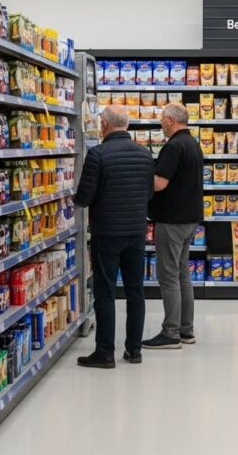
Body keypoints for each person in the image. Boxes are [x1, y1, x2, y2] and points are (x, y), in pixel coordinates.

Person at [73, 105, 155, 368]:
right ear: (127, 126)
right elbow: (149, 194)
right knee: (135, 291)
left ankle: (105, 352)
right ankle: (134, 350)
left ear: (104, 125)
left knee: (105, 291)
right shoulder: (145, 155)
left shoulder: (97, 155)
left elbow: (84, 198)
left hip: (107, 233)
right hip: (136, 232)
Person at [143, 103, 204, 350]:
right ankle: (186, 330)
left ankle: (170, 333)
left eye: (161, 119)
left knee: (168, 277)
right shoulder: (193, 144)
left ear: (170, 120)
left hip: (172, 220)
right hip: (190, 220)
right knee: (182, 275)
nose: (160, 123)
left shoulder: (173, 146)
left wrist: (141, 176)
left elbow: (158, 184)